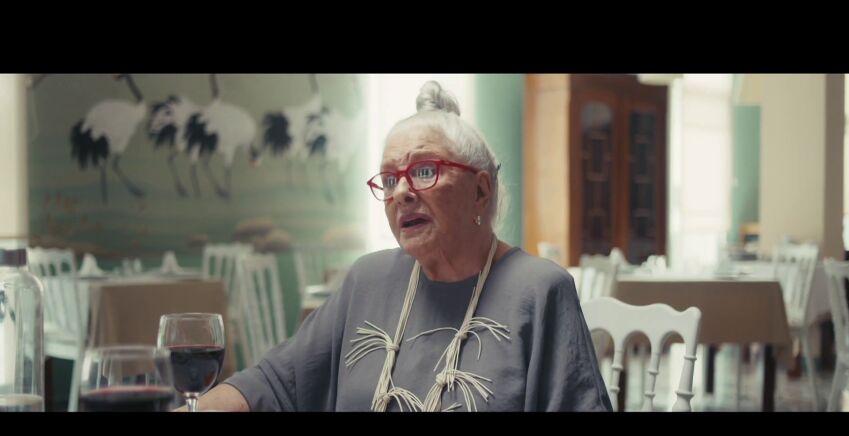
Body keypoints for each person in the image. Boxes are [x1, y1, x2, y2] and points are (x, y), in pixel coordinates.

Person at [194, 80, 611, 412]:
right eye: (390, 179)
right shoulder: (368, 279)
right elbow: (274, 383)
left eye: (425, 171)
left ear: (481, 191)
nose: (401, 193)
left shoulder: (538, 290)